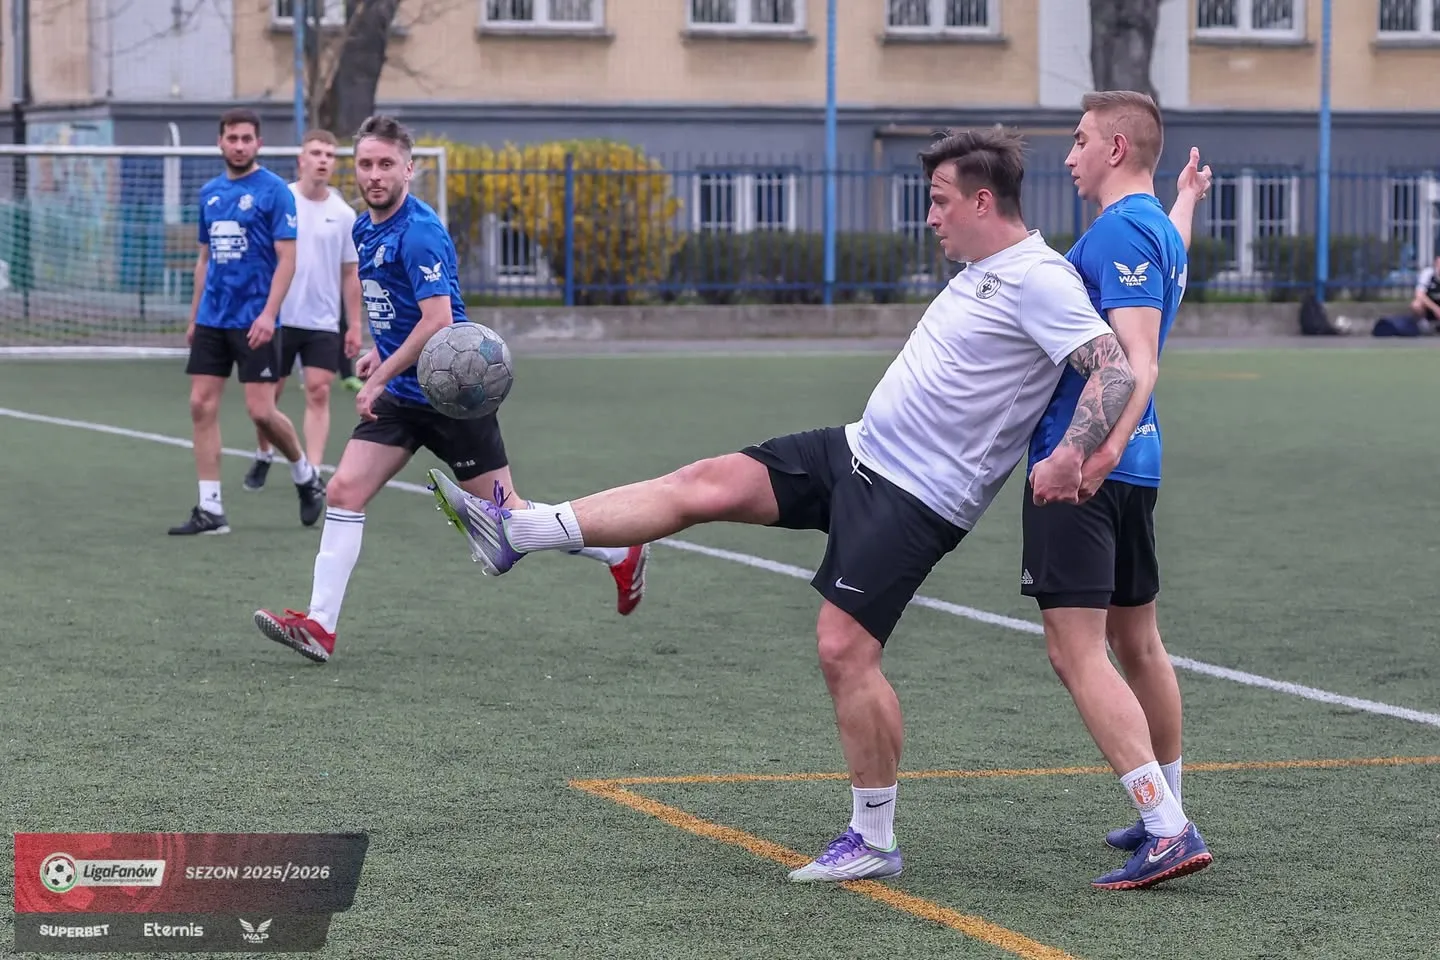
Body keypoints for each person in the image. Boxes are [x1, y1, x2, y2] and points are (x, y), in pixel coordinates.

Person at [427, 127, 1138, 883]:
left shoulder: (1038, 278)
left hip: (917, 497)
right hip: (857, 451)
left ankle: (874, 839)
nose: (929, 216)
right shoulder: (980, 267)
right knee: (704, 482)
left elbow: (1114, 369)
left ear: (983, 201)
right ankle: (519, 531)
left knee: (844, 650)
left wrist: (1073, 454)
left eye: (939, 201)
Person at [253, 115, 650, 664]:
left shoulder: (418, 232)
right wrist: (380, 352)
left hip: (452, 396)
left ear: (409, 169)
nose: (374, 174)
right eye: (365, 164)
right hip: (402, 398)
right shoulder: (364, 228)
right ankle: (320, 626)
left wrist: (378, 376)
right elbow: (400, 308)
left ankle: (620, 550)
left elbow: (439, 321)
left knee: (511, 521)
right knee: (343, 492)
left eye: (386, 164)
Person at [1021, 90, 1214, 890]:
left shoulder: (1120, 231)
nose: (1069, 155)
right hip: (1138, 464)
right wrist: (1187, 200)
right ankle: (1164, 805)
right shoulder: (1156, 228)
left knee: (1075, 651)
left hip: (1092, 469)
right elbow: (1168, 266)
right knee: (1137, 643)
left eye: (1079, 139)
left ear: (1116, 148)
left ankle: (1166, 828)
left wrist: (1089, 456)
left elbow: (1138, 360)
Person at [170, 107, 326, 536]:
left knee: (261, 412)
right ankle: (210, 509)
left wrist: (269, 314)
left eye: (246, 139)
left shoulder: (274, 192)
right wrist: (194, 317)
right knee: (200, 405)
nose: (239, 146)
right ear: (220, 142)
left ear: (258, 143)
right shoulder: (210, 193)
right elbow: (205, 260)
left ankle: (304, 475)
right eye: (232, 138)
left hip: (255, 319)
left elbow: (287, 259)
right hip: (212, 318)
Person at [244, 129, 363, 492]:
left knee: (319, 391)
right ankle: (264, 453)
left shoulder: (344, 214)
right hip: (279, 317)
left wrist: (354, 324)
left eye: (329, 155)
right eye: (316, 153)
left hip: (322, 321)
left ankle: (312, 472)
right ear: (301, 160)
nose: (323, 160)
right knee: (268, 400)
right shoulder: (281, 200)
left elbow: (350, 273)